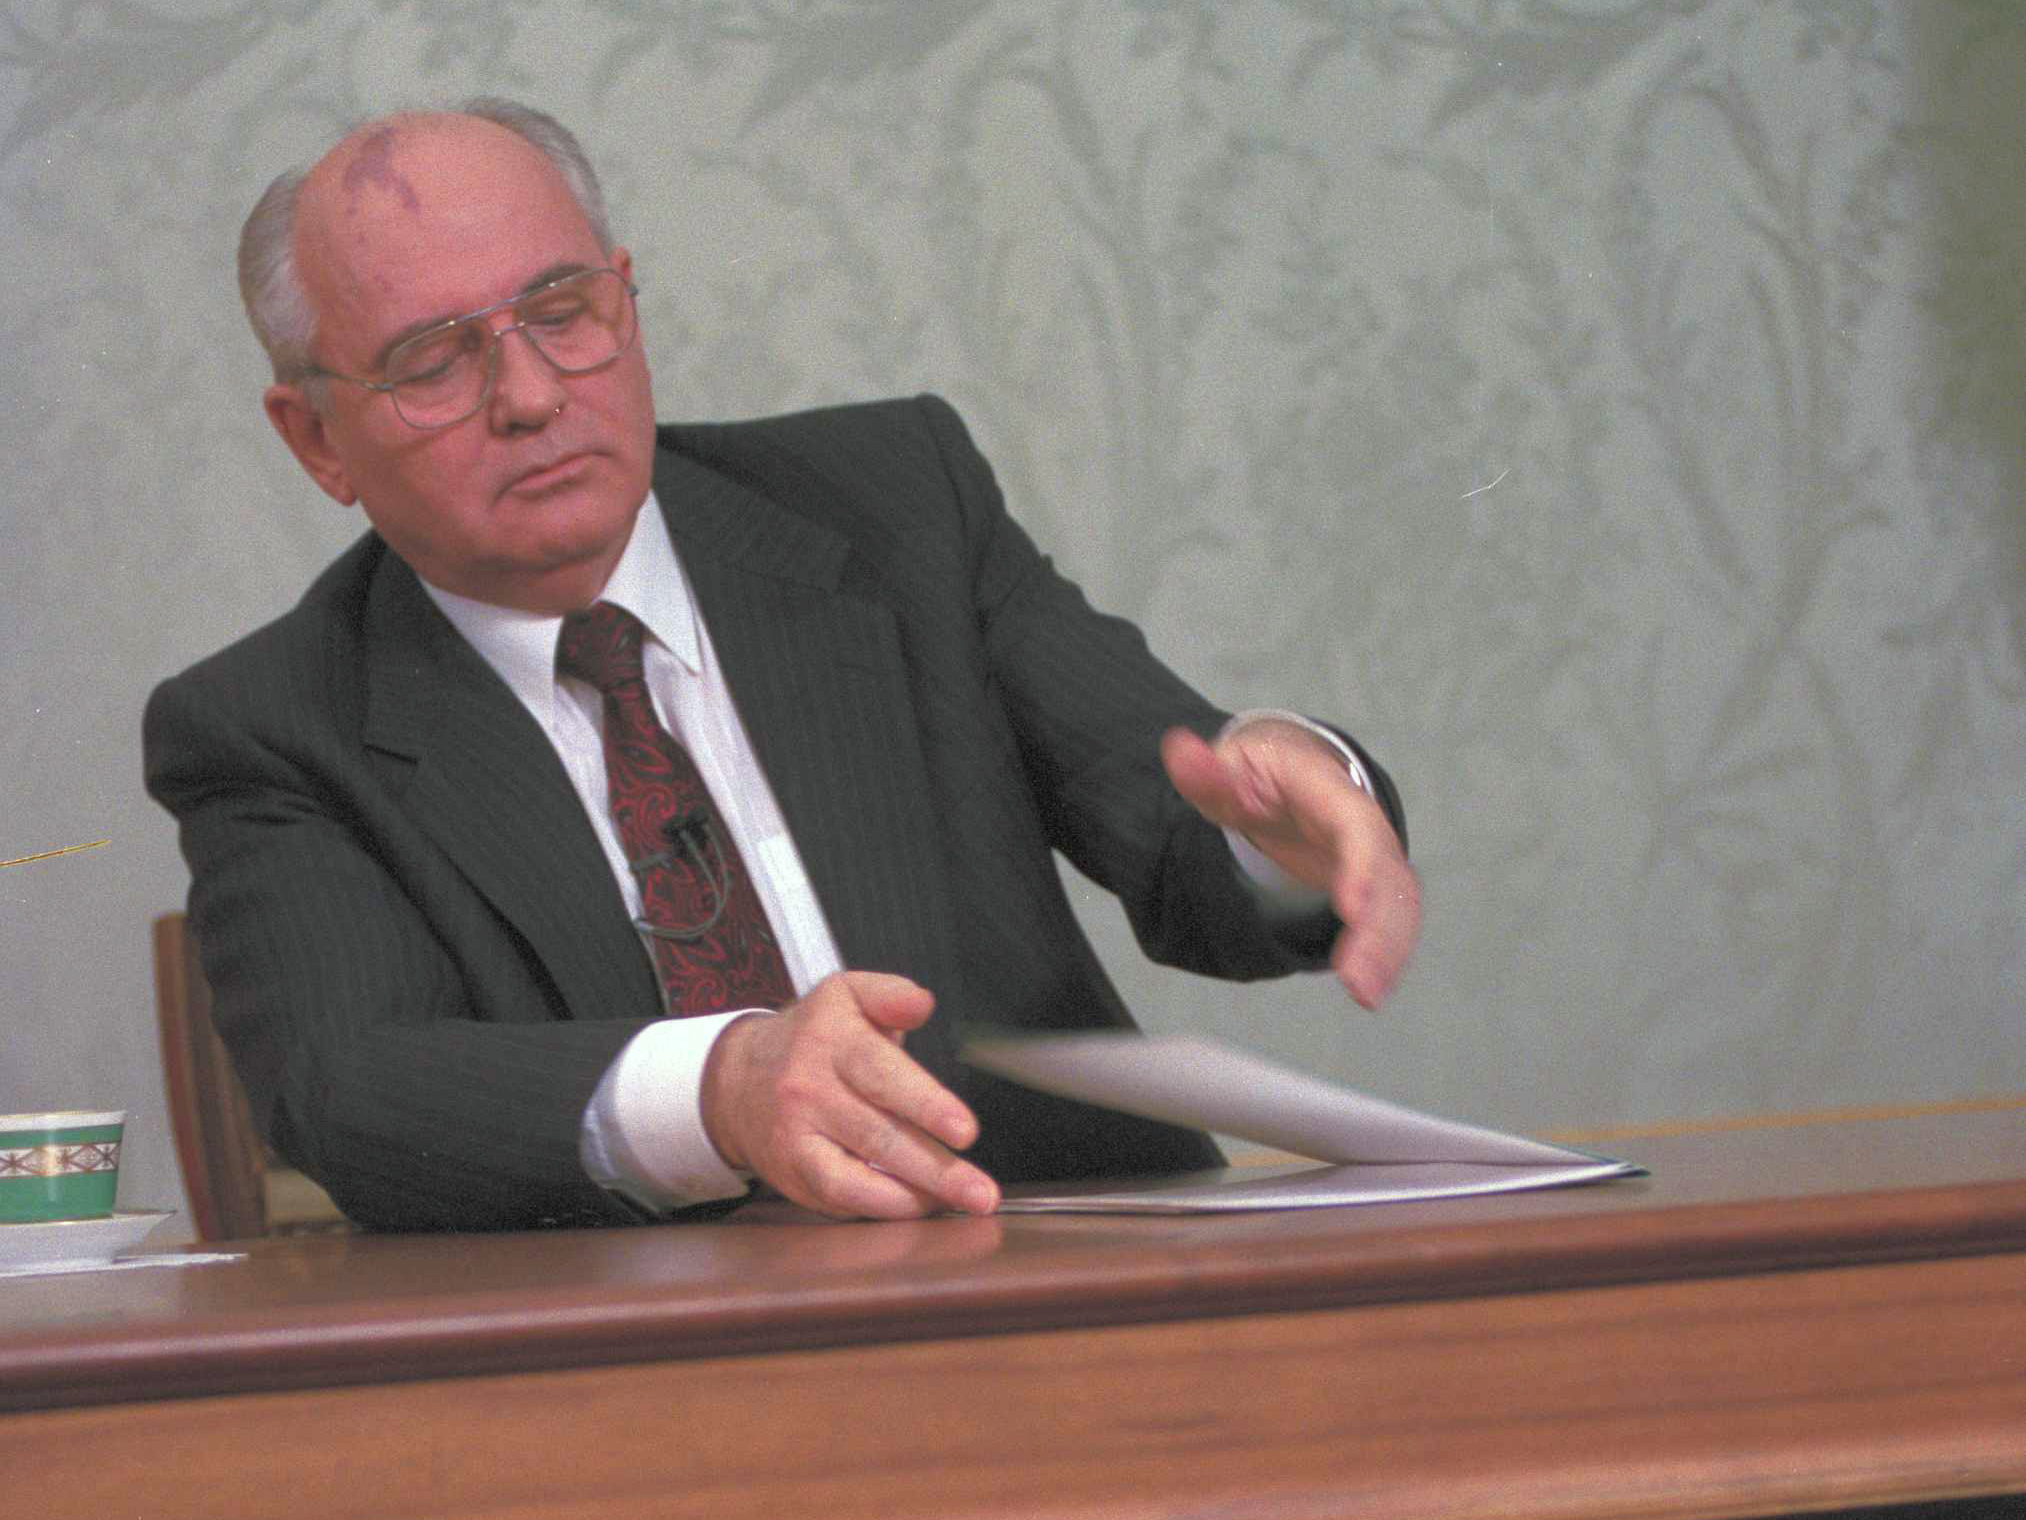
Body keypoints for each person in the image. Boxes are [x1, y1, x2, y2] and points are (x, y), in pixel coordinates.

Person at [144, 99, 1419, 1232]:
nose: (527, 394)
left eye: (560, 312)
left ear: (624, 300)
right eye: (433, 360)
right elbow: (352, 1085)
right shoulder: (270, 724)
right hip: (635, 1400)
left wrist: (1283, 832)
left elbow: (1182, 819)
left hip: (1062, 1294)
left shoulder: (892, 509)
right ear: (315, 436)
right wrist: (721, 1088)